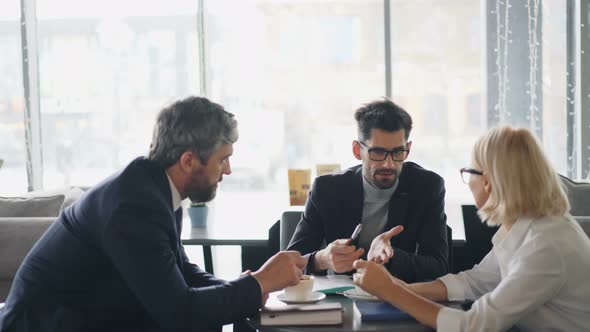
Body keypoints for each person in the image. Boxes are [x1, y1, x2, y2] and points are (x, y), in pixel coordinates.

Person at [0, 96, 307, 332]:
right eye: (222, 159)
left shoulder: (153, 187)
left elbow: (181, 271)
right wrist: (257, 285)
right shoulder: (134, 207)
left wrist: (245, 286)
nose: (227, 169)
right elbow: (178, 311)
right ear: (188, 161)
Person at [353, 126, 590, 331]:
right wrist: (398, 287)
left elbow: (474, 326)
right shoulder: (525, 227)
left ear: (487, 180)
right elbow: (475, 282)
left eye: (469, 172)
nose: (468, 183)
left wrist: (392, 292)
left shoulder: (545, 245)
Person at [287, 99, 448, 282]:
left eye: (397, 152)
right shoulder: (327, 190)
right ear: (357, 150)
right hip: (339, 298)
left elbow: (438, 266)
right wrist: (321, 259)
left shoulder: (426, 187)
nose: (389, 163)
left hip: (397, 296)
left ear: (408, 149)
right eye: (378, 153)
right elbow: (290, 263)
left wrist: (392, 256)